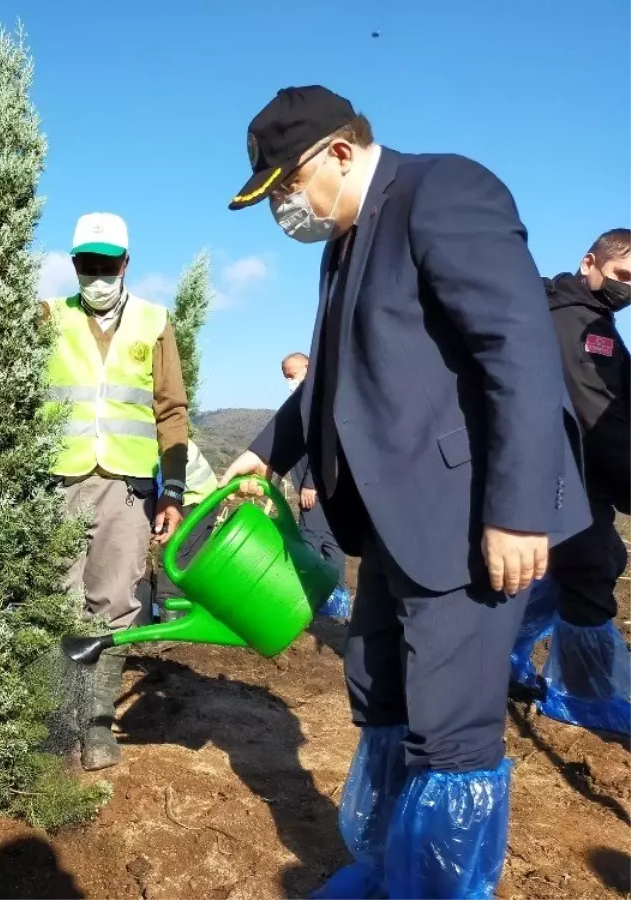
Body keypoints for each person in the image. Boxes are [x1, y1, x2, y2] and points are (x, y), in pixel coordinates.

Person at [220, 86, 588, 898]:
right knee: (379, 689)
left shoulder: (443, 192)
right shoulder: (343, 246)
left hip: (467, 524)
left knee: (450, 730)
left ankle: (443, 887)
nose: (285, 207)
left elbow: (519, 348)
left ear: (340, 153)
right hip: (389, 524)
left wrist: (519, 510)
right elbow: (329, 390)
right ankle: (392, 869)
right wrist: (262, 456)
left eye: (286, 185)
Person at [44, 212, 188, 771]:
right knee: (57, 600)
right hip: (58, 482)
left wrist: (170, 491)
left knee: (117, 603)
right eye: (86, 265)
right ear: (74, 264)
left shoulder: (154, 322)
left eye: (107, 265)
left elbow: (171, 411)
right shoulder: (50, 316)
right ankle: (59, 720)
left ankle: (97, 724)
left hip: (127, 489)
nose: (97, 275)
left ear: (126, 264)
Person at [509, 229, 631, 735]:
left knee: (578, 568)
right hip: (567, 481)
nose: (628, 288)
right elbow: (598, 419)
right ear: (590, 263)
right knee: (590, 571)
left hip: (573, 480)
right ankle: (585, 697)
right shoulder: (581, 328)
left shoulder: (588, 317)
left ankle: (504, 650)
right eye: (623, 276)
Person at [282, 352, 351, 618]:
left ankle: (313, 604)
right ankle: (337, 606)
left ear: (307, 367)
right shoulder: (313, 400)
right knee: (332, 542)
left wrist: (310, 482)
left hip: (316, 488)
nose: (289, 381)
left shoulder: (317, 402)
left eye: (291, 375)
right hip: (327, 488)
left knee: (311, 542)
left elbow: (323, 445)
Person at [152, 439, 219, 623]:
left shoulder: (155, 441)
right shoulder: (162, 429)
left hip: (193, 499)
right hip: (204, 494)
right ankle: (186, 616)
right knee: (189, 561)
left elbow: (157, 488)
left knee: (173, 559)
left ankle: (171, 625)